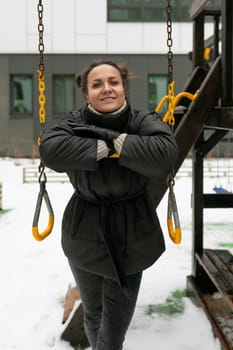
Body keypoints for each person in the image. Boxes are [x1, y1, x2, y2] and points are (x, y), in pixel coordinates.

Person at [39, 60, 179, 350]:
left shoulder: (143, 120)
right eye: (97, 83)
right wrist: (114, 145)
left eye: (113, 82)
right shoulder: (72, 122)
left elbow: (165, 153)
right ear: (86, 93)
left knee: (114, 327)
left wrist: (108, 141)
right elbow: (50, 150)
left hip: (132, 231)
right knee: (93, 311)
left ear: (123, 87)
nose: (107, 89)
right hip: (84, 229)